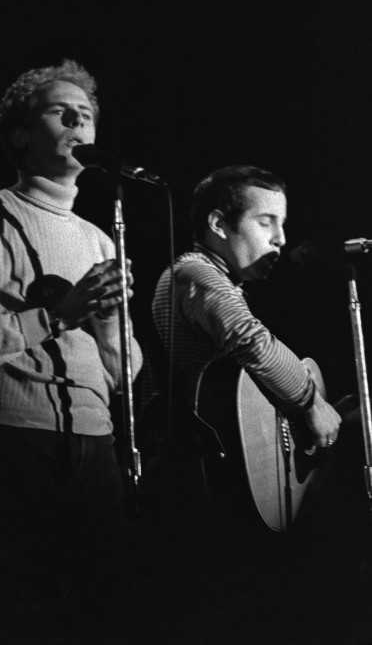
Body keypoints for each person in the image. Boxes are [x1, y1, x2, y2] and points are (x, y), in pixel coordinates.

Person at [0, 59, 143, 641]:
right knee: (23, 612)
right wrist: (59, 314)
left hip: (96, 443)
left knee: (102, 609)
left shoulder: (100, 238)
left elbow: (122, 373)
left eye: (88, 114)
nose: (80, 118)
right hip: (14, 440)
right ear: (22, 135)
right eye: (61, 110)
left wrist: (105, 325)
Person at [139, 164, 342, 642]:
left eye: (283, 224)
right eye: (266, 222)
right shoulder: (193, 272)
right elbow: (247, 338)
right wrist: (309, 401)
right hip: (200, 477)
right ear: (218, 224)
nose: (281, 239)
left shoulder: (226, 282)